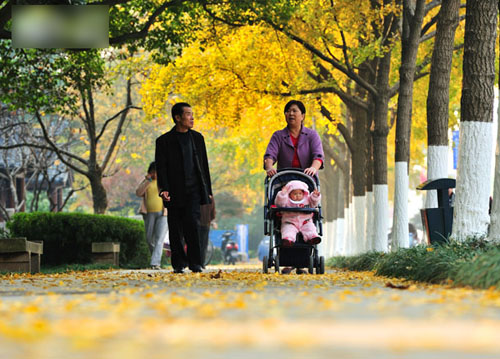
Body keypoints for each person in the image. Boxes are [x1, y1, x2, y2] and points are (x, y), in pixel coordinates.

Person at [263, 99, 324, 274]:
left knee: (307, 217)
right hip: (285, 183)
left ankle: (303, 261)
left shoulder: (311, 135)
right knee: (283, 218)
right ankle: (287, 260)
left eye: (295, 111)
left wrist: (313, 168)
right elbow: (270, 155)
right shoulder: (278, 135)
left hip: (306, 182)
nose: (291, 114)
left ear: (302, 115)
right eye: (288, 111)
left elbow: (318, 156)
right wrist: (269, 167)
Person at [155, 102, 213, 274]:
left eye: (192, 114)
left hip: (193, 190)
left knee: (192, 225)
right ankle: (178, 263)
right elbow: (161, 168)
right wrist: (163, 189)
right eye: (188, 114)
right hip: (173, 191)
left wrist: (208, 191)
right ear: (177, 118)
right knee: (175, 227)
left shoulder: (197, 138)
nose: (192, 117)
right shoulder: (164, 141)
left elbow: (204, 166)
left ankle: (196, 262)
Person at [135, 162, 168, 270]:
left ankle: (155, 263)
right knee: (149, 239)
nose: (155, 174)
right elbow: (139, 193)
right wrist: (147, 180)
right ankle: (156, 257)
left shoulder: (163, 182)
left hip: (163, 214)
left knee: (159, 239)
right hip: (149, 213)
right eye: (153, 171)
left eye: (156, 171)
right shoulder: (147, 182)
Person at [275, 180, 321, 246]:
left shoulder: (307, 199)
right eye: (295, 194)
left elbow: (314, 204)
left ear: (304, 193)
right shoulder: (286, 200)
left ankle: (312, 237)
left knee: (310, 228)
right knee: (288, 230)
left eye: (300, 193)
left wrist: (315, 196)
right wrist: (283, 194)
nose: (298, 195)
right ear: (289, 193)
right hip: (290, 222)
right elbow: (280, 204)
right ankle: (288, 240)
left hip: (305, 221)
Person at [200, 198, 216, 268]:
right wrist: (211, 219)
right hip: (206, 221)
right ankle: (201, 262)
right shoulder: (209, 196)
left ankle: (194, 262)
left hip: (195, 221)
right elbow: (213, 210)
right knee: (204, 243)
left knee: (194, 242)